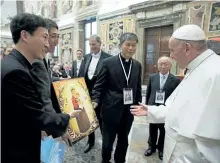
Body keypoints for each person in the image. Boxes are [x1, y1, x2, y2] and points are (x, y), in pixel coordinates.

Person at [130, 24, 220, 163]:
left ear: (187, 48)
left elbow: (210, 146)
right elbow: (179, 110)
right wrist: (152, 111)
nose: (171, 56)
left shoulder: (215, 74)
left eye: (172, 50)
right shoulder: (195, 68)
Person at [1, 13, 80, 163]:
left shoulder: (12, 63)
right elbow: (38, 117)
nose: (47, 43)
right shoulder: (17, 72)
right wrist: (68, 116)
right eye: (44, 37)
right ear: (25, 35)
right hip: (18, 147)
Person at [92, 33, 142, 163]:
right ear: (121, 45)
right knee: (108, 141)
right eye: (128, 45)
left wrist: (138, 105)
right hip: (110, 109)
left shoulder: (137, 65)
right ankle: (106, 160)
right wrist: (95, 100)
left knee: (124, 140)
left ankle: (120, 160)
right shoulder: (107, 63)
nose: (131, 48)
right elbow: (99, 85)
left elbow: (137, 87)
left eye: (134, 45)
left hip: (128, 111)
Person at [31, 18, 73, 145]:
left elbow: (45, 80)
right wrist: (59, 129)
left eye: (58, 36)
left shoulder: (44, 57)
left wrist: (58, 79)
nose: (57, 41)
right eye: (53, 36)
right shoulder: (37, 60)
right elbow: (44, 98)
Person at [144, 56, 180, 160]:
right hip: (153, 108)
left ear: (170, 66)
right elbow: (148, 92)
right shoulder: (152, 77)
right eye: (161, 64)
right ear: (157, 65)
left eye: (166, 64)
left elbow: (176, 96)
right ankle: (151, 147)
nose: (163, 66)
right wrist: (147, 107)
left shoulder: (175, 80)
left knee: (164, 130)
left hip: (166, 110)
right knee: (152, 129)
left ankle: (161, 149)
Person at [83, 35, 111, 153]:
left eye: (94, 44)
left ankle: (106, 145)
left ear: (100, 44)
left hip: (101, 96)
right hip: (87, 94)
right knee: (89, 119)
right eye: (90, 44)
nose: (91, 47)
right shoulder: (86, 57)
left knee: (102, 120)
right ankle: (91, 141)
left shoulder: (108, 58)